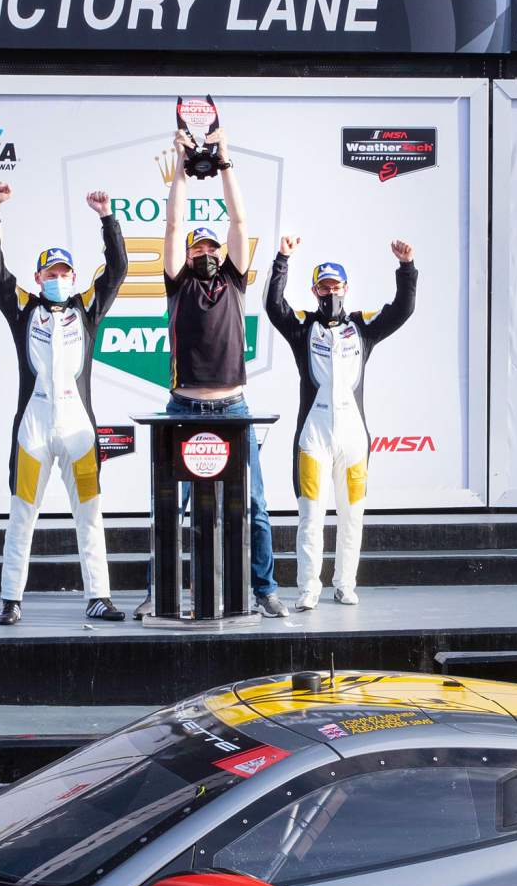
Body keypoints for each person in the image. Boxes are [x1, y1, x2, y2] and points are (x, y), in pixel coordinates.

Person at [150, 123, 282, 616]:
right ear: (186, 255)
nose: (204, 252)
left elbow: (240, 222)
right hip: (183, 407)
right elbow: (171, 223)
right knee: (169, 509)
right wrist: (183, 169)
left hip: (234, 406)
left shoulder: (234, 281)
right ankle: (156, 593)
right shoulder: (176, 284)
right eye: (197, 248)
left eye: (211, 247)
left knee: (255, 507)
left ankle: (265, 590)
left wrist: (224, 158)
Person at [0, 181, 127, 625]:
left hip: (80, 429)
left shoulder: (87, 308)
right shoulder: (24, 308)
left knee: (91, 514)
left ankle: (98, 597)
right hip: (34, 427)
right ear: (39, 277)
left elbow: (118, 268)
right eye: (51, 273)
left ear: (73, 276)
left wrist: (107, 219)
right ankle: (11, 599)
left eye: (65, 272)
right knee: (22, 515)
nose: (59, 279)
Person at [265, 237, 417, 609]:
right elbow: (273, 306)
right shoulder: (303, 327)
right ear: (314, 290)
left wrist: (406, 268)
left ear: (346, 289)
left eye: (336, 287)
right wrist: (282, 259)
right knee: (310, 517)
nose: (330, 292)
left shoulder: (361, 327)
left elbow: (402, 310)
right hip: (312, 437)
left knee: (353, 518)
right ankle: (308, 589)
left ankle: (345, 584)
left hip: (353, 439)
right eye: (324, 287)